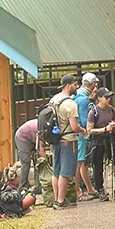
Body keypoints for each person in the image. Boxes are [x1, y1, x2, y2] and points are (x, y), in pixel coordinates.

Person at [87, 87, 115, 201]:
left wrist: (114, 125)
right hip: (98, 141)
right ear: (99, 98)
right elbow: (89, 130)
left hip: (111, 139)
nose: (108, 99)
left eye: (109, 97)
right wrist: (104, 129)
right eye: (106, 97)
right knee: (98, 168)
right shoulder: (93, 112)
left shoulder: (111, 109)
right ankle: (101, 191)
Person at [51, 74, 86, 209]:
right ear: (68, 85)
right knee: (65, 172)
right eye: (75, 84)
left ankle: (56, 199)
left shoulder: (54, 99)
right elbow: (74, 126)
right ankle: (61, 201)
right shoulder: (70, 103)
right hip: (68, 140)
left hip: (55, 139)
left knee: (56, 171)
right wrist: (82, 130)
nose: (77, 87)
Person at [74, 73, 99, 201]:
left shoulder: (77, 94)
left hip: (77, 134)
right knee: (79, 162)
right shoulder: (83, 100)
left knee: (83, 162)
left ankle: (89, 188)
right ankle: (77, 191)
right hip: (81, 135)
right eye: (95, 83)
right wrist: (88, 132)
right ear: (92, 84)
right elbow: (84, 121)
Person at [14, 119, 44, 190]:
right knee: (25, 163)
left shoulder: (44, 125)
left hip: (31, 136)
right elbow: (41, 149)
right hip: (22, 137)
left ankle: (38, 185)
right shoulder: (41, 129)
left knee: (37, 161)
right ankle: (23, 187)